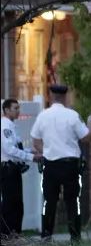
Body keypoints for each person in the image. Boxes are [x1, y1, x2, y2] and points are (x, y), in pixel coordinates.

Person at [30, 84, 91, 241]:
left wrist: (45, 151)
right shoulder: (72, 115)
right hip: (69, 165)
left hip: (51, 165)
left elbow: (35, 139)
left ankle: (46, 237)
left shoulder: (43, 115)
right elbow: (85, 138)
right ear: (65, 97)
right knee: (72, 202)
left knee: (49, 202)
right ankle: (75, 238)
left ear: (51, 96)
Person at [2, 99, 42, 235]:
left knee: (17, 205)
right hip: (7, 169)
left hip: (13, 169)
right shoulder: (4, 126)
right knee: (10, 205)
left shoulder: (12, 126)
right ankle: (7, 237)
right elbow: (9, 149)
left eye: (19, 108)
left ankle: (14, 235)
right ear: (6, 110)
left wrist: (31, 152)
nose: (18, 111)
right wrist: (31, 157)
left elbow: (18, 148)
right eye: (15, 108)